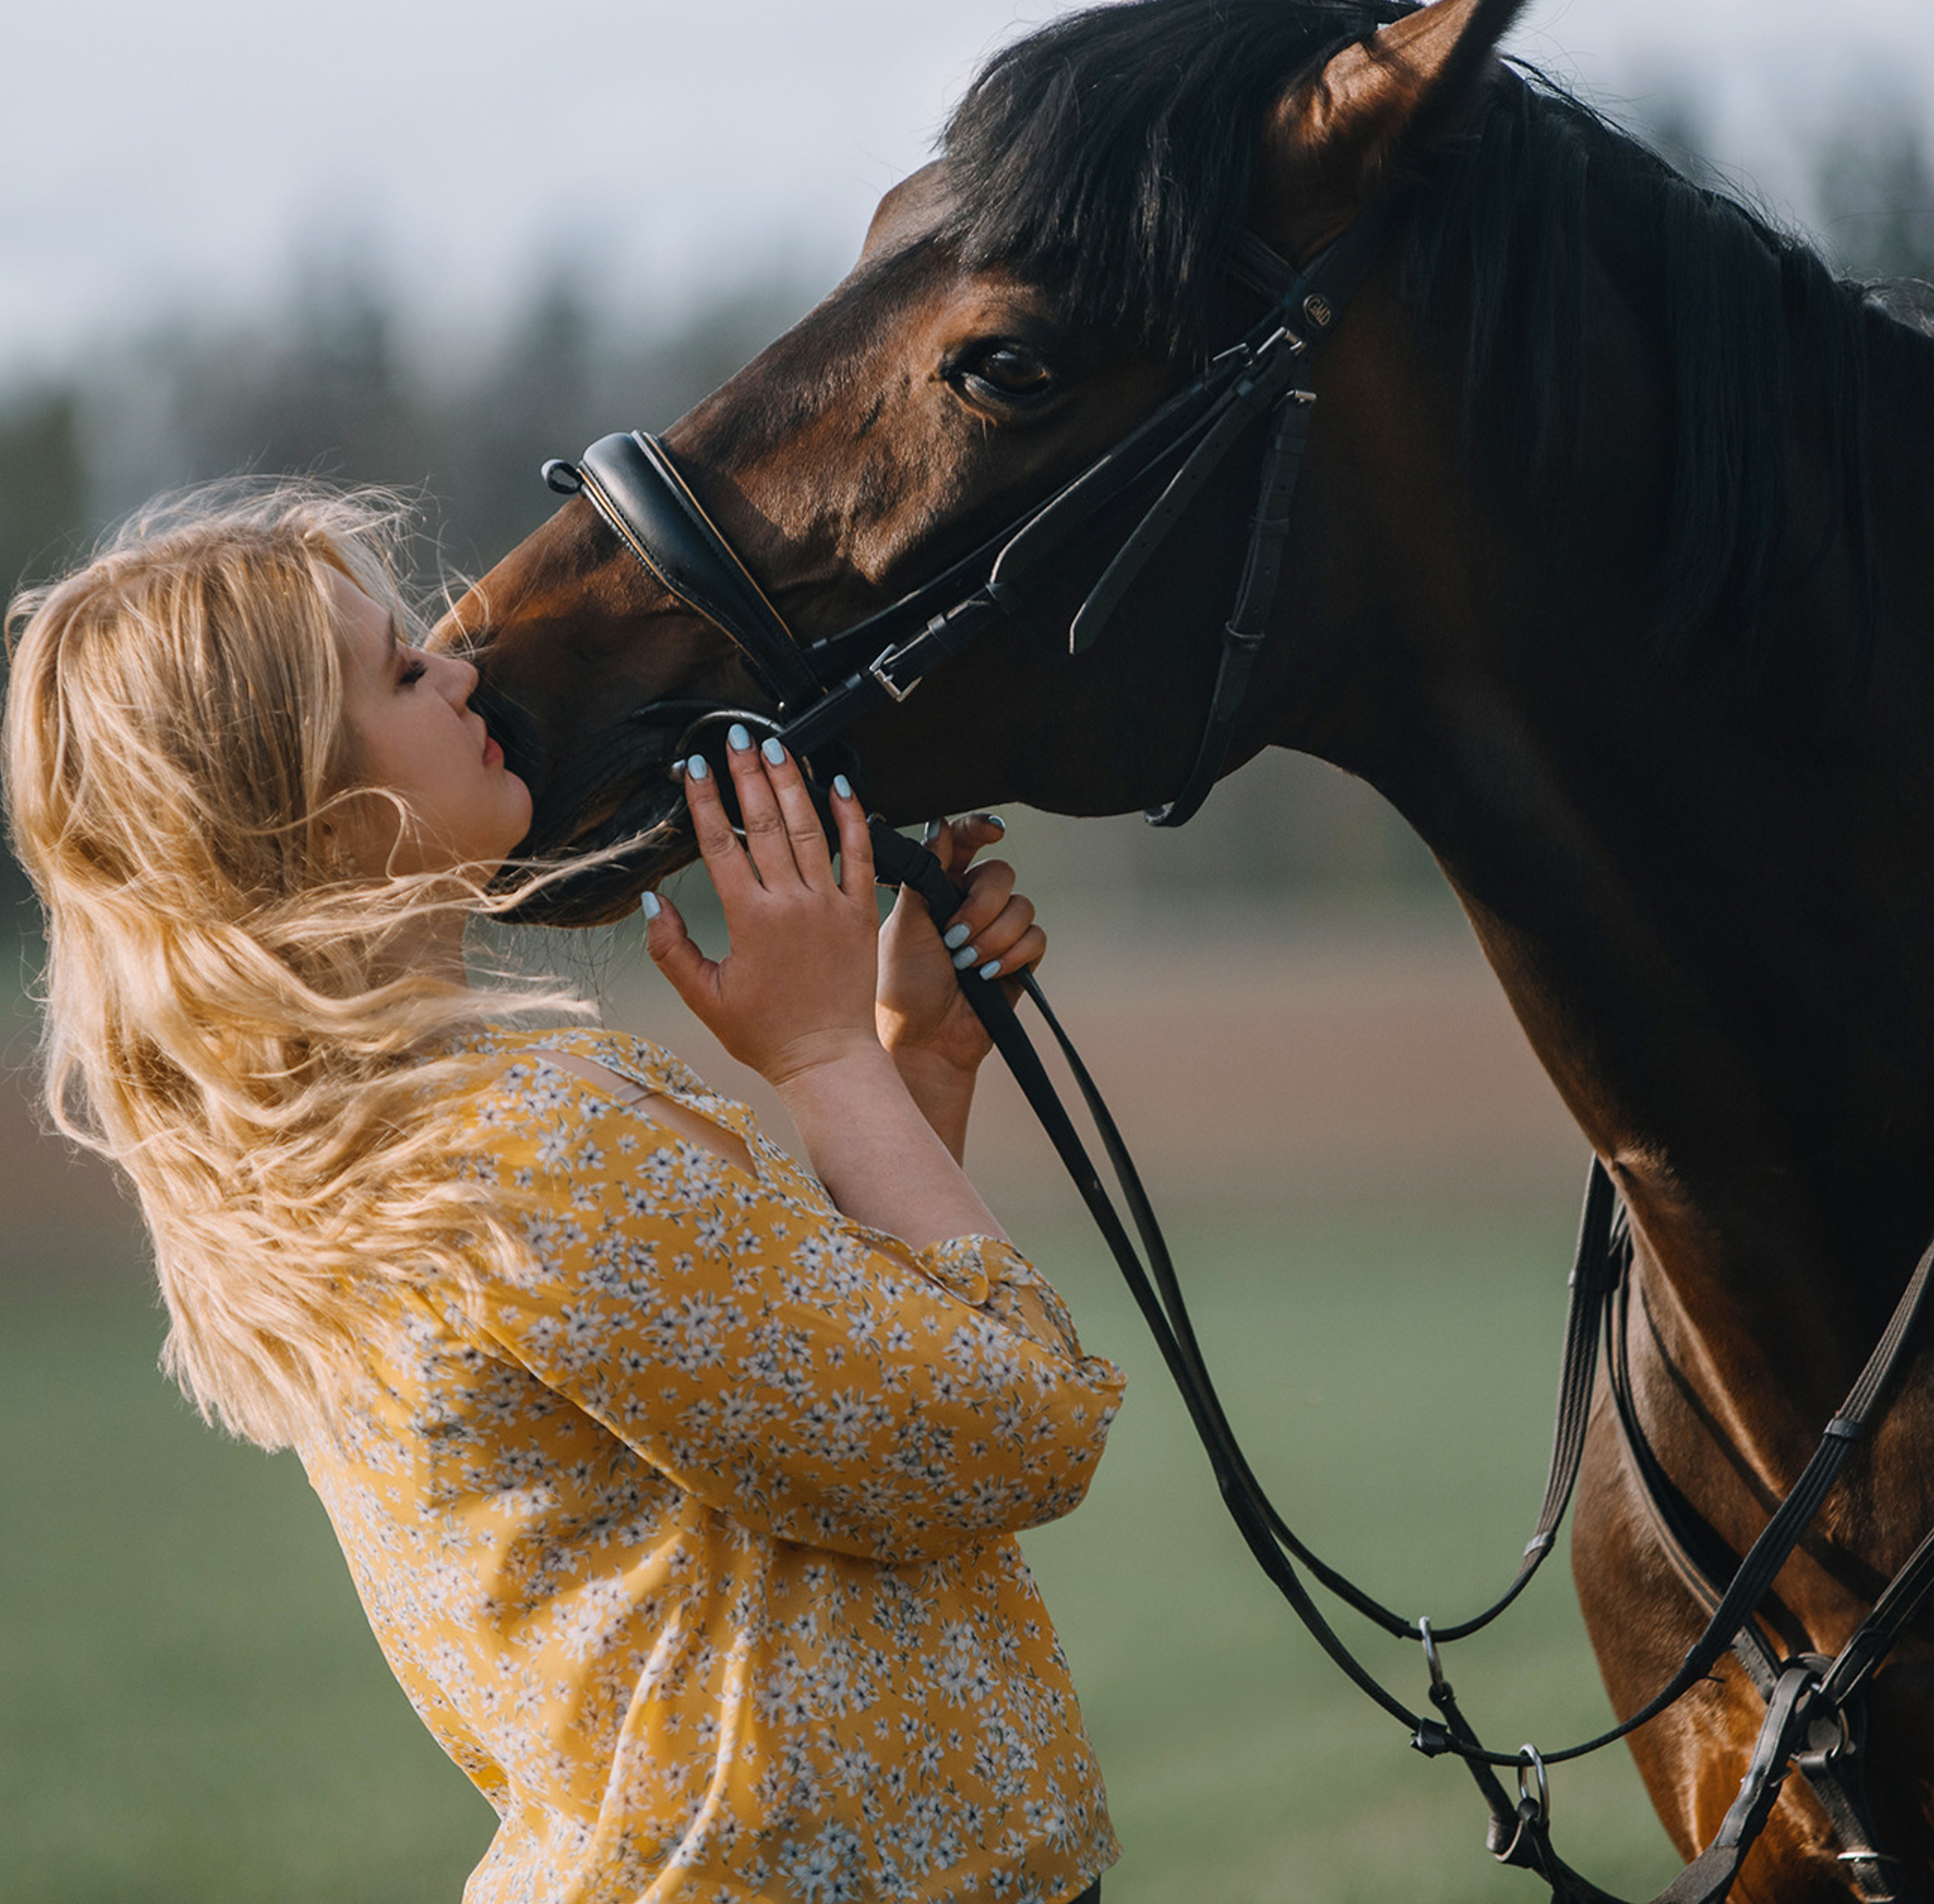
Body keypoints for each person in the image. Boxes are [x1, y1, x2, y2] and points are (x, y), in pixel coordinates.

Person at [2, 482, 1123, 1904]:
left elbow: (799, 1430)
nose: (464, 671)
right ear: (318, 809)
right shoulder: (537, 1150)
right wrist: (827, 1053)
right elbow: (1019, 1421)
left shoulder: (366, 1168)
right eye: (404, 672)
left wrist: (912, 1077)